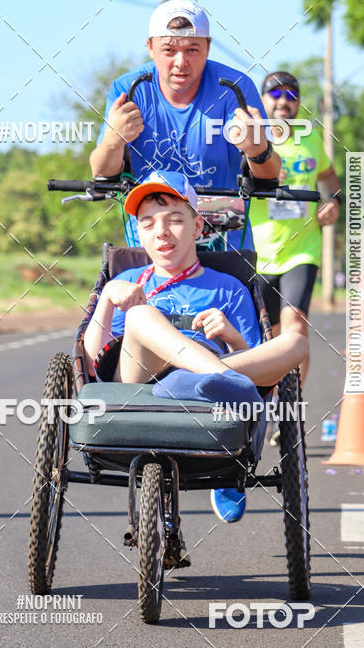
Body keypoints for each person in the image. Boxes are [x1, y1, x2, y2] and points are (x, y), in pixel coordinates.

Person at [83, 171, 308, 524]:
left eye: (175, 220)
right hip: (138, 381)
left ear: (198, 226)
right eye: (148, 223)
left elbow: (254, 356)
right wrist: (107, 301)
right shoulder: (124, 282)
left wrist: (232, 336)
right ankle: (204, 377)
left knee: (295, 342)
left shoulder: (229, 287)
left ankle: (196, 380)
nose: (161, 231)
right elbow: (91, 366)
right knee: (141, 316)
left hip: (212, 382)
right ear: (137, 232)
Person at [89, 0, 281, 248]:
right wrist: (114, 141)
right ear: (150, 47)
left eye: (192, 49)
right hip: (152, 239)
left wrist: (258, 150)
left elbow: (271, 176)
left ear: (208, 47)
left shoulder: (236, 88)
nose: (181, 62)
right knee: (114, 289)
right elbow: (101, 174)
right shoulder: (130, 89)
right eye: (169, 50)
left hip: (223, 238)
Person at [248, 71, 341, 389]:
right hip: (258, 253)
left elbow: (329, 177)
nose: (284, 101)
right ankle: (272, 408)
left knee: (294, 326)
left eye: (291, 95)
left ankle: (291, 409)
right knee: (267, 337)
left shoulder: (311, 138)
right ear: (262, 101)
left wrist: (334, 201)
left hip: (303, 248)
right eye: (275, 94)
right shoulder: (252, 139)